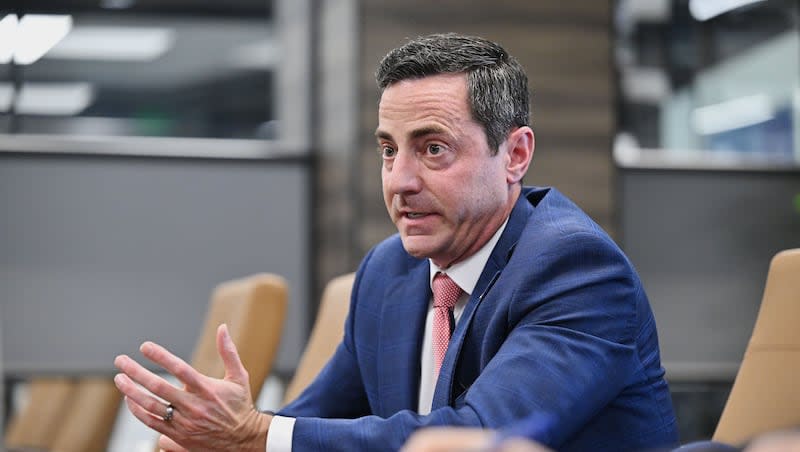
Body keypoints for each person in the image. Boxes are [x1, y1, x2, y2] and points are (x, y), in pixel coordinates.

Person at [113, 32, 679, 451]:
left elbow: (475, 439)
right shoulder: (390, 271)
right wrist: (220, 439)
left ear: (515, 155)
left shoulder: (576, 270)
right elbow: (305, 426)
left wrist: (254, 434)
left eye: (433, 148)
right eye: (389, 149)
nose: (399, 181)